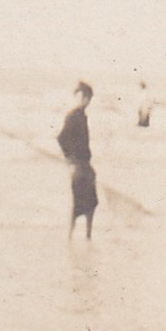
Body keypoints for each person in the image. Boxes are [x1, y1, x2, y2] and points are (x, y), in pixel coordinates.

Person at [57, 81, 97, 240]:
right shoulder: (73, 116)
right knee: (79, 203)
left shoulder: (81, 116)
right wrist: (71, 161)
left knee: (92, 202)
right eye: (82, 97)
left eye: (86, 98)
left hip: (84, 165)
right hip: (78, 166)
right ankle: (71, 236)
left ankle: (87, 235)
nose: (85, 101)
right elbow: (61, 138)